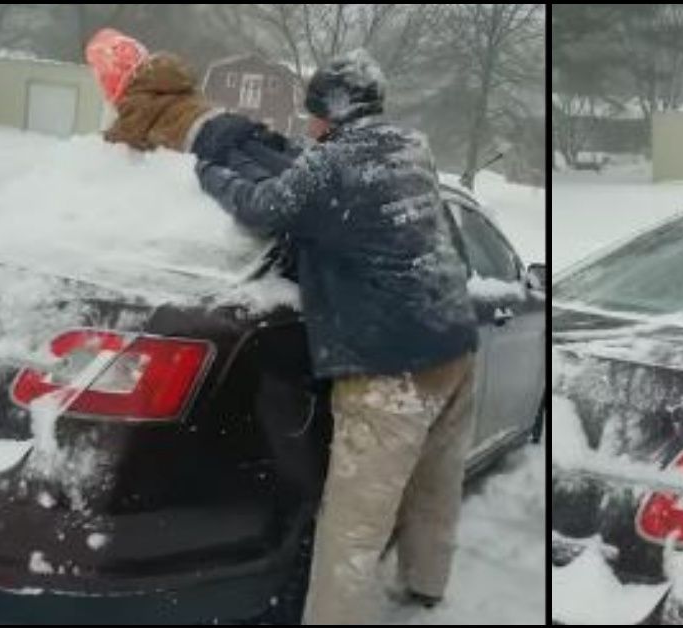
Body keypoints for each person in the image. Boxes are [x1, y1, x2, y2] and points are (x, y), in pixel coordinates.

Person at [189, 50, 479, 625]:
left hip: (391, 366)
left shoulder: (333, 165)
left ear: (330, 112)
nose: (309, 125)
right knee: (434, 485)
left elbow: (262, 207)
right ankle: (425, 583)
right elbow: (326, 175)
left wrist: (210, 170)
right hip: (456, 345)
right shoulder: (410, 147)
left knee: (354, 524)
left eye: (312, 113)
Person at [85, 28, 296, 181]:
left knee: (271, 184)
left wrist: (106, 138)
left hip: (204, 139)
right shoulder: (167, 77)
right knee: (282, 163)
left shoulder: (135, 99)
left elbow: (126, 133)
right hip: (225, 119)